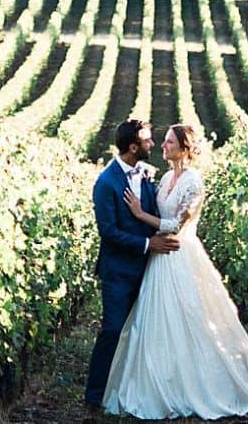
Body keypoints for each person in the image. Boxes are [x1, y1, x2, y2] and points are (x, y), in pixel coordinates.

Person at [102, 122, 248, 420]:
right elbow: (161, 211)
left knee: (192, 316)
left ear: (184, 148)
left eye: (169, 142)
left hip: (181, 253)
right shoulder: (165, 177)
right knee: (157, 319)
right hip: (161, 256)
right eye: (163, 142)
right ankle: (162, 378)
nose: (163, 146)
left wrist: (139, 214)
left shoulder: (194, 182)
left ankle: (199, 381)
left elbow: (178, 225)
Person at [85, 119, 182, 410]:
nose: (153, 145)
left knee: (143, 330)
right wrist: (147, 244)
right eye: (148, 141)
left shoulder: (147, 176)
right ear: (133, 147)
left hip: (148, 269)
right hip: (118, 271)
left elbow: (152, 215)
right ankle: (94, 395)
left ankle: (132, 390)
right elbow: (109, 232)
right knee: (113, 329)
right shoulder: (106, 183)